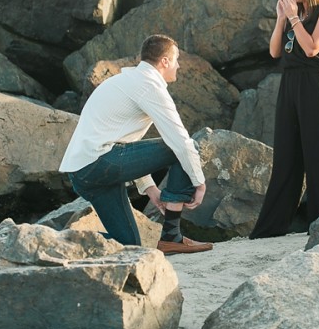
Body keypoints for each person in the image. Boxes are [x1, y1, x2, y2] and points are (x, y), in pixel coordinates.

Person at [59, 34, 213, 254]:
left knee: (128, 245)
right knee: (186, 147)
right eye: (176, 59)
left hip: (84, 171)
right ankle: (172, 235)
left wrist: (150, 189)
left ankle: (56, 241)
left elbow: (127, 145)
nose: (178, 65)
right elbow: (180, 141)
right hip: (100, 163)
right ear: (165, 61)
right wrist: (199, 183)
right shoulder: (149, 86)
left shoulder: (126, 81)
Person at [250, 0, 319, 239]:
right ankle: (271, 228)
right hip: (290, 84)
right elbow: (275, 52)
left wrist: (292, 18)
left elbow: (312, 48)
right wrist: (282, 19)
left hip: (317, 85)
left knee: (318, 156)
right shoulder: (295, 12)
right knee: (286, 156)